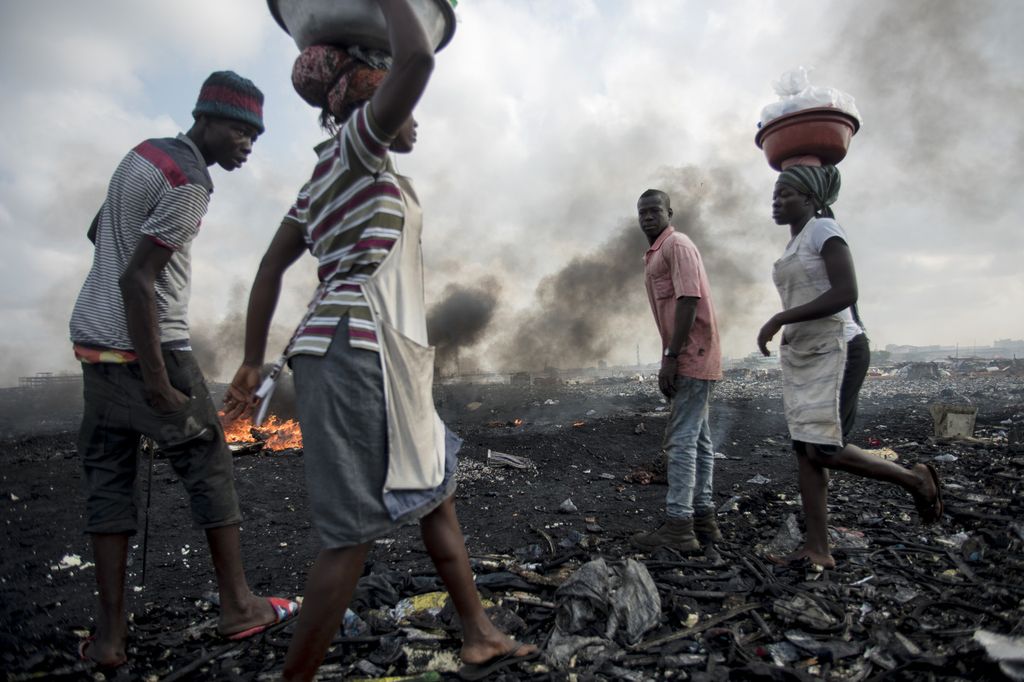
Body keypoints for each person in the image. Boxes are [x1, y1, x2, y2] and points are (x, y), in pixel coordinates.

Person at [221, 2, 536, 680]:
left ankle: (478, 630)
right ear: (370, 87)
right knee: (351, 534)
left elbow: (273, 267)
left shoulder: (324, 177)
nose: (415, 114)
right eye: (400, 97)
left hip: (381, 352)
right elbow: (419, 58)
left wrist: (254, 359)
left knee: (435, 491)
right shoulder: (360, 145)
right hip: (357, 352)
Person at [69, 71, 299, 668]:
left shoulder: (143, 155)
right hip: (152, 352)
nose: (249, 144)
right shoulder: (190, 180)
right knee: (210, 467)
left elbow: (101, 235)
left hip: (94, 348)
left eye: (256, 134)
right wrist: (156, 381)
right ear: (209, 120)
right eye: (242, 131)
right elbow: (136, 280)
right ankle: (239, 606)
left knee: (108, 485)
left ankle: (111, 640)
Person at [757, 164, 943, 569]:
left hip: (840, 349)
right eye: (775, 193)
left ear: (809, 199)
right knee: (805, 452)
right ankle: (818, 549)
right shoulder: (793, 245)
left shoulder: (824, 230)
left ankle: (915, 479)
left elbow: (846, 292)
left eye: (785, 193)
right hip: (808, 355)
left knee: (824, 449)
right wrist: (791, 330)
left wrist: (780, 319)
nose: (776, 200)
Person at [631, 189, 724, 553]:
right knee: (699, 440)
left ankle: (679, 526)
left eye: (655, 210)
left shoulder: (677, 245)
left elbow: (689, 299)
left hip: (690, 354)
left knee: (681, 441)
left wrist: (671, 356)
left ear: (670, 212)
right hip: (690, 352)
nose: (648, 217)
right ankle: (704, 520)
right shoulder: (655, 254)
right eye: (642, 212)